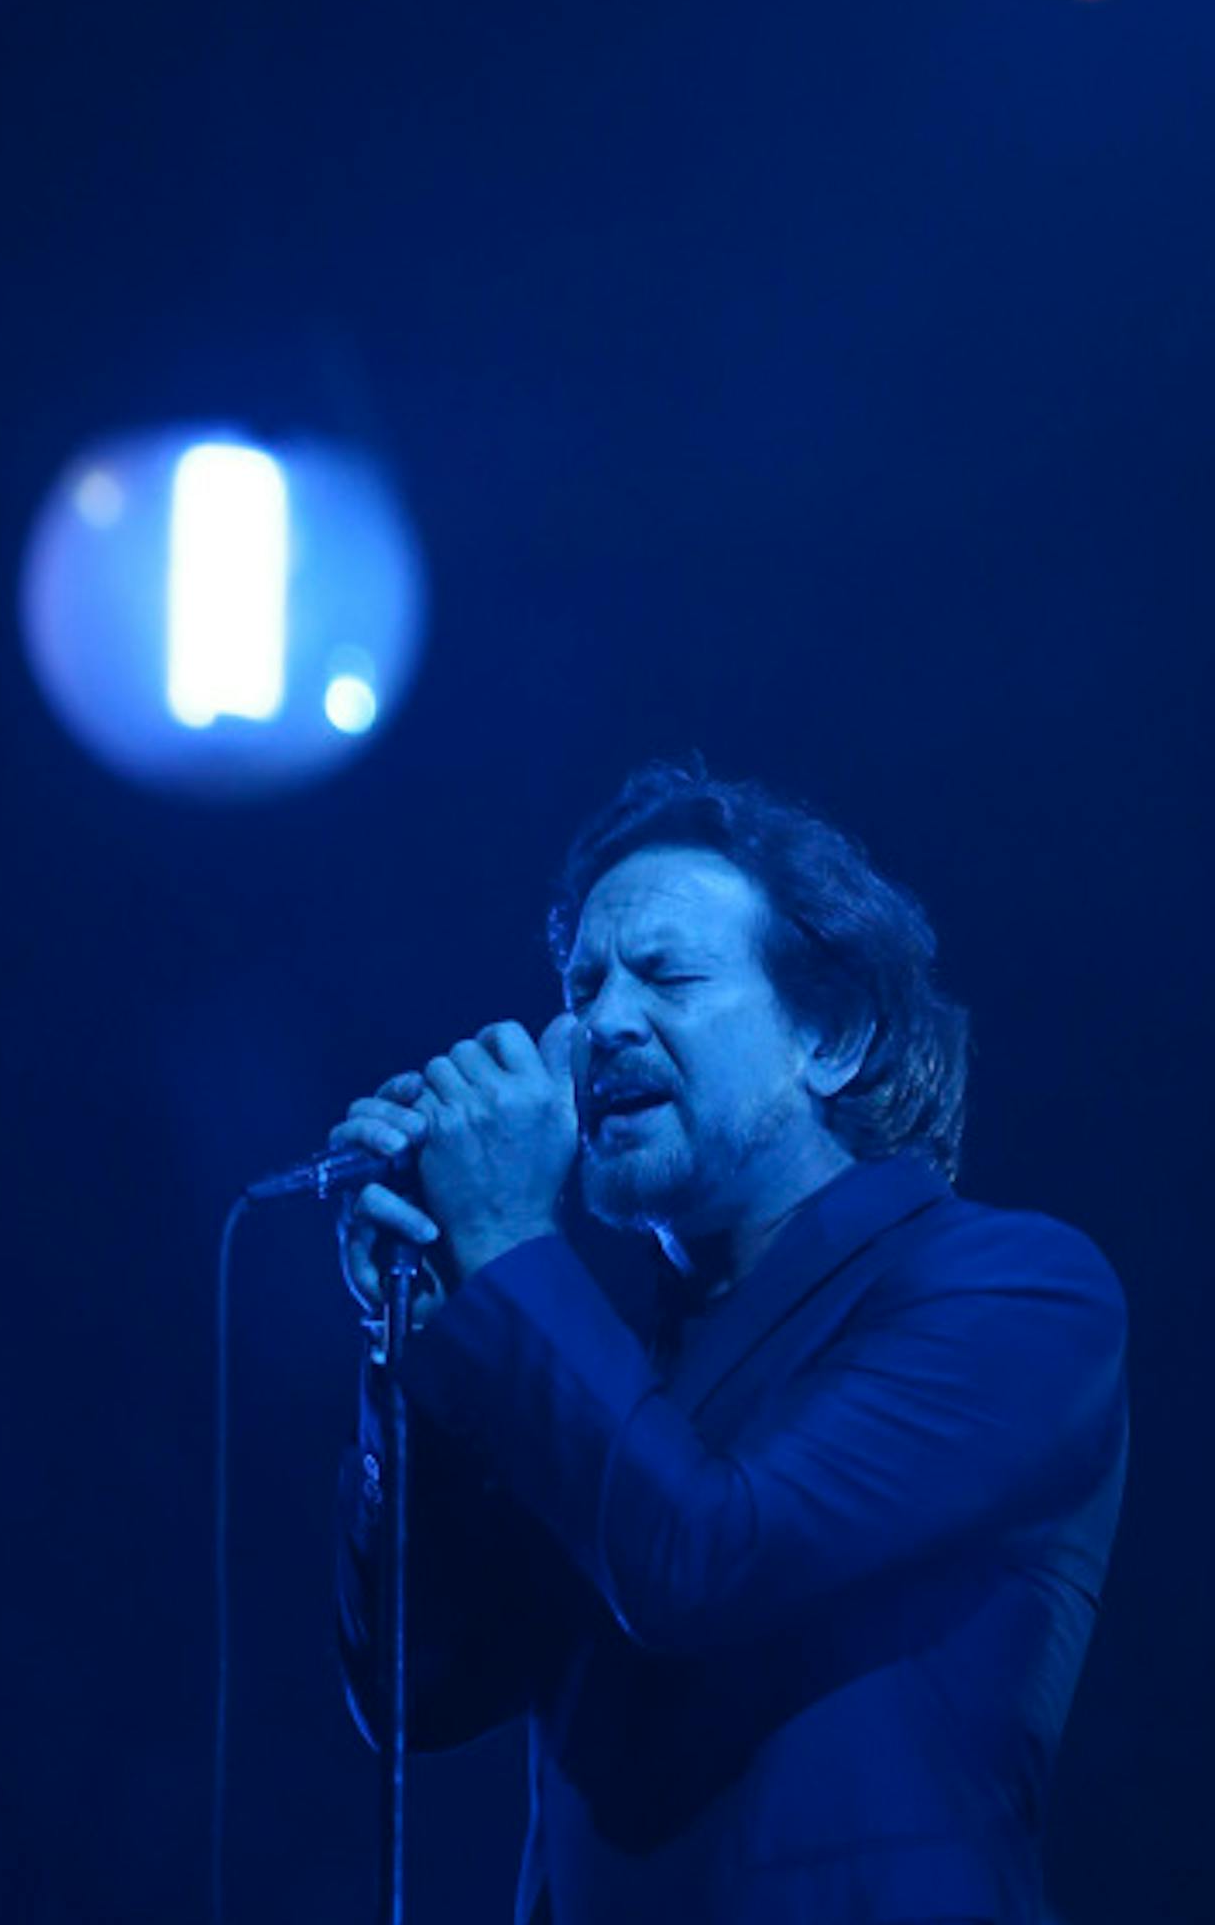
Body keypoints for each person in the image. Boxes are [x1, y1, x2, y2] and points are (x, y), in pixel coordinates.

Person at [331, 758, 1129, 1925]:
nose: (601, 1023)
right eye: (583, 981)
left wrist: (504, 1241)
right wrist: (425, 1324)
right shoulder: (590, 1365)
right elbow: (419, 1694)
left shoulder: (1012, 1290)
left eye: (666, 975)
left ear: (836, 1036)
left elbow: (707, 1559)